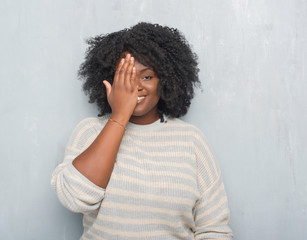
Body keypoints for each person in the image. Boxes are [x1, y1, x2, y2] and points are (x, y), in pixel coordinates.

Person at [51, 22, 233, 240]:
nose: (136, 86)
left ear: (164, 80)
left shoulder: (191, 140)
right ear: (110, 81)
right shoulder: (89, 132)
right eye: (125, 76)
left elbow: (214, 229)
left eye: (147, 77)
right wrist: (119, 116)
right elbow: (74, 198)